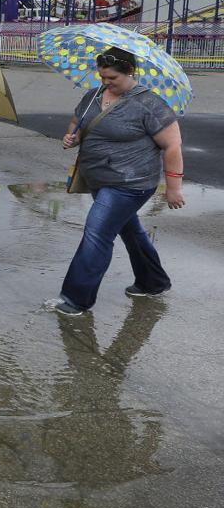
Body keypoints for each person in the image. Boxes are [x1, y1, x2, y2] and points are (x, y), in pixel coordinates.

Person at [52, 47, 184, 317]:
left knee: (97, 231)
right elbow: (78, 123)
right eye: (102, 76)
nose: (105, 82)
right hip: (98, 179)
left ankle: (77, 300)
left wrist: (173, 188)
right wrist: (71, 137)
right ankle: (153, 281)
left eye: (112, 78)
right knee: (130, 231)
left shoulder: (149, 104)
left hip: (131, 182)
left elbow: (172, 146)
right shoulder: (93, 96)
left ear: (129, 73)